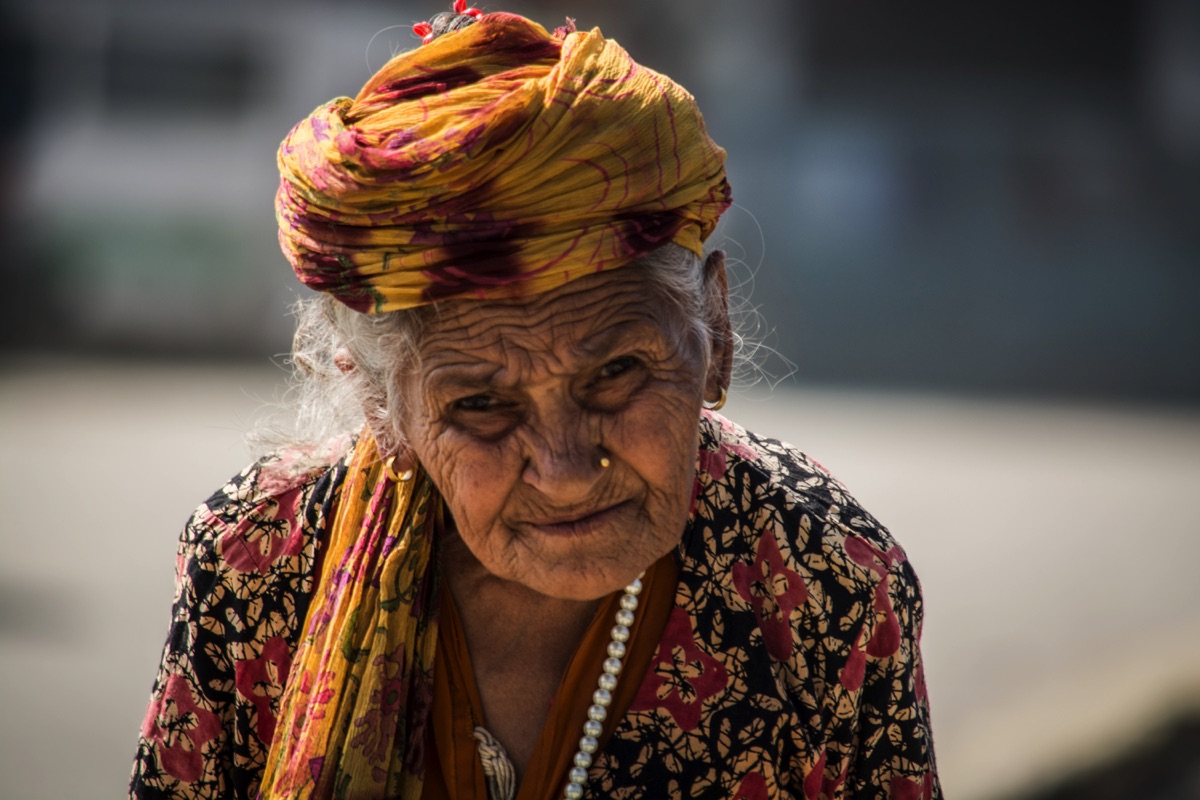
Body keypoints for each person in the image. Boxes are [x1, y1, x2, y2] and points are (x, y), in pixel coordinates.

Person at [130, 5, 940, 799]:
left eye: (617, 374)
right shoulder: (256, 568)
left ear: (714, 334)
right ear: (384, 410)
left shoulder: (823, 581)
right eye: (481, 405)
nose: (562, 471)